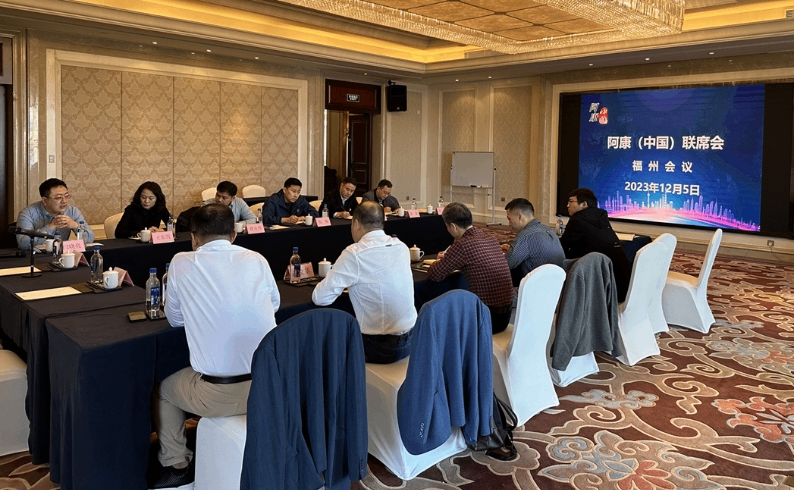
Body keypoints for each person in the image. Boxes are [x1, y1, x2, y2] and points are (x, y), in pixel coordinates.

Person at [151, 203, 279, 489]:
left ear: (193, 238)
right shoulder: (257, 258)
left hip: (218, 395)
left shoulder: (182, 262)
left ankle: (176, 464)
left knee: (162, 387)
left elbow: (174, 319)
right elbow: (274, 304)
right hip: (270, 387)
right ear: (233, 234)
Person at [312, 201, 417, 363]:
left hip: (379, 348)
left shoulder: (354, 254)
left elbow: (320, 298)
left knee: (325, 346)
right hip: (411, 340)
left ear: (356, 224)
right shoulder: (401, 246)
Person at [427, 202, 514, 334]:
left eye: (447, 227)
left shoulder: (462, 244)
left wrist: (439, 261)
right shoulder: (490, 238)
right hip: (506, 315)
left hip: (487, 319)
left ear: (453, 226)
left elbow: (435, 274)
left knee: (440, 310)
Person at [560, 187, 632, 302]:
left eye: (571, 201)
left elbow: (562, 247)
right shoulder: (600, 218)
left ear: (584, 204)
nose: (567, 205)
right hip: (621, 284)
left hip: (603, 290)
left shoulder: (577, 219)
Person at [16, 178, 94, 250]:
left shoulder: (72, 211)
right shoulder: (27, 213)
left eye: (66, 196)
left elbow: (90, 239)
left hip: (62, 256)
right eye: (58, 198)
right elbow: (23, 244)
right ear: (45, 201)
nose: (64, 201)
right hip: (37, 257)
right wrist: (51, 227)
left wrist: (75, 225)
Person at [501, 198, 565, 286]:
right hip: (558, 286)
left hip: (536, 288)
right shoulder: (548, 230)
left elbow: (505, 265)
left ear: (519, 216)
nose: (509, 224)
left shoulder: (525, 235)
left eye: (509, 219)